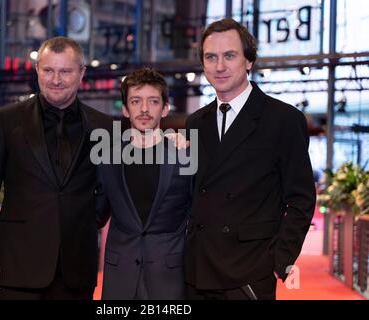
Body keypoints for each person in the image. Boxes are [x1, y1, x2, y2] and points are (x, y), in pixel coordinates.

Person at [0, 37, 112, 300]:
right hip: (15, 267)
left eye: (65, 71)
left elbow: (109, 188)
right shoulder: (7, 120)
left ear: (81, 73)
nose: (56, 79)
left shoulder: (103, 126)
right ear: (38, 70)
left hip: (76, 269)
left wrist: (87, 221)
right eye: (48, 70)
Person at [184, 18, 316, 300]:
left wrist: (279, 261)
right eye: (211, 57)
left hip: (248, 273)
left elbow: (301, 199)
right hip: (197, 271)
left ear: (249, 61)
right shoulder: (196, 122)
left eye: (229, 56)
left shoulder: (283, 120)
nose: (219, 66)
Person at [96, 68, 192, 299]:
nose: (145, 109)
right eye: (136, 101)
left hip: (169, 279)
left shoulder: (185, 156)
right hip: (120, 278)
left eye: (153, 101)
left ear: (165, 108)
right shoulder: (107, 159)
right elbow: (95, 215)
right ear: (126, 110)